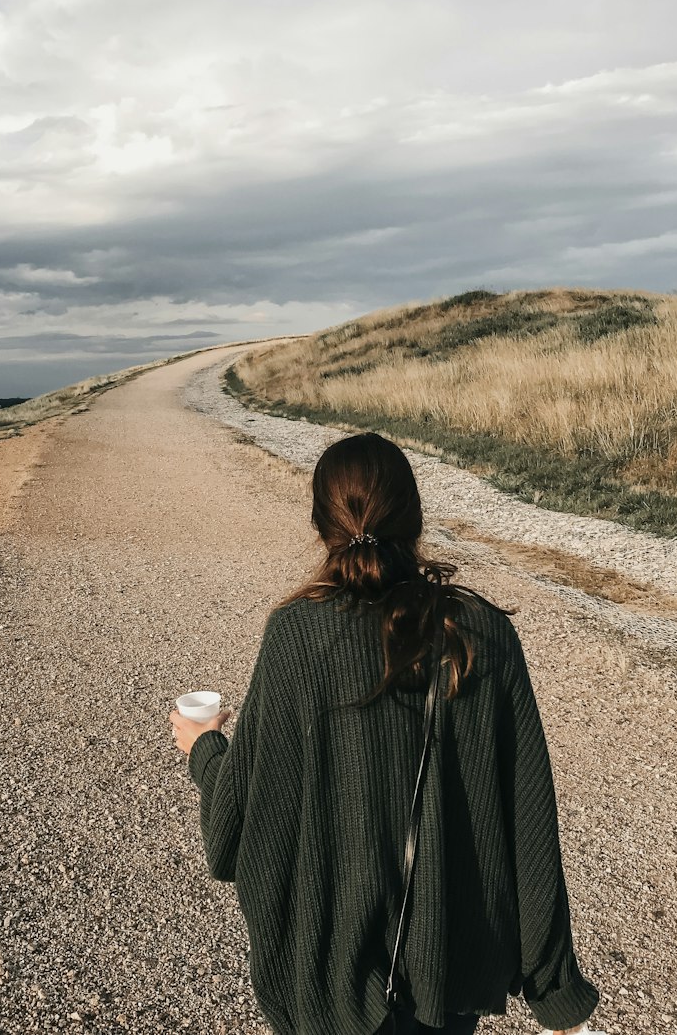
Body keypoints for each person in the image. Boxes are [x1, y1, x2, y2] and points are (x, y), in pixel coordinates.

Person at [170, 432, 601, 1035]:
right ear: (415, 518)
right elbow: (529, 823)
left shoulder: (297, 637)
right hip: (448, 982)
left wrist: (204, 746)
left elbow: (239, 826)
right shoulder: (484, 636)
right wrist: (555, 995)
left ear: (321, 524)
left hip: (330, 992)